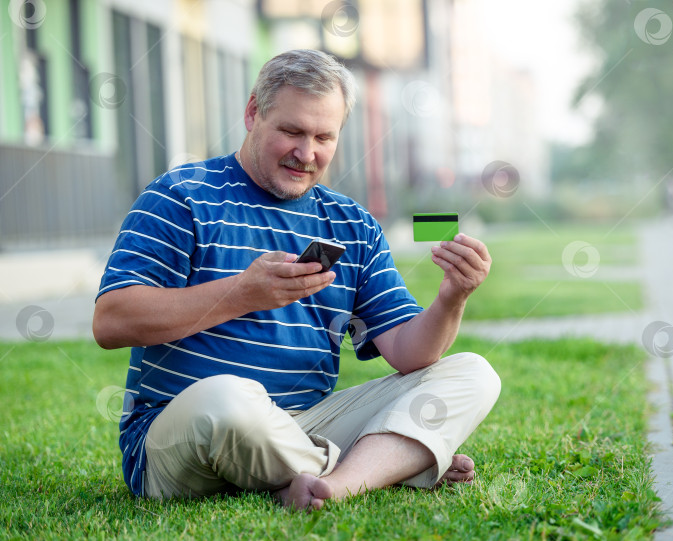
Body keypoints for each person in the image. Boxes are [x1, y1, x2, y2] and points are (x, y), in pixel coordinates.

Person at [93, 49, 500, 510]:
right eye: (291, 131)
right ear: (252, 113)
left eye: (324, 136)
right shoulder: (180, 197)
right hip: (184, 434)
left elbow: (410, 353)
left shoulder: (352, 224)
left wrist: (453, 297)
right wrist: (240, 294)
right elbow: (111, 322)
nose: (306, 154)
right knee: (228, 397)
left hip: (305, 423)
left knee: (474, 374)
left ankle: (334, 485)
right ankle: (386, 466)